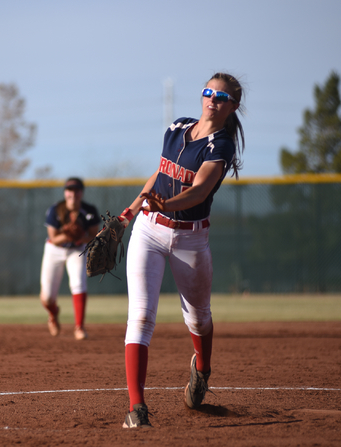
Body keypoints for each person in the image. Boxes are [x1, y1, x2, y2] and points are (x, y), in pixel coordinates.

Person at [118, 73, 245, 428]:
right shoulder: (176, 127)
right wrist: (130, 212)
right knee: (141, 318)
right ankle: (136, 408)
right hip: (149, 231)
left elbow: (200, 191)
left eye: (221, 97)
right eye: (208, 92)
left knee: (199, 318)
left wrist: (167, 204)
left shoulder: (220, 146)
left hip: (190, 239)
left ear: (232, 106)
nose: (212, 100)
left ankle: (201, 369)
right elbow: (158, 175)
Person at [39, 177, 101, 340]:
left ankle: (79, 327)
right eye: (69, 190)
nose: (72, 193)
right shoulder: (55, 210)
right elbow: (53, 238)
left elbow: (94, 235)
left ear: (81, 193)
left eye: (76, 190)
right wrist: (68, 234)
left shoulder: (89, 211)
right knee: (46, 297)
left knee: (78, 283)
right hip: (55, 250)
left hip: (77, 249)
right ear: (65, 193)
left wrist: (81, 237)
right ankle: (53, 313)